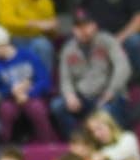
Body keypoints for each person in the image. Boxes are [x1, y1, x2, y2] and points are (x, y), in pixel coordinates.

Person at [52, 10, 131, 138]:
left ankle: (112, 141)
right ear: (74, 29)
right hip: (83, 97)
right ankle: (78, 140)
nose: (83, 30)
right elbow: (65, 78)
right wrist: (69, 95)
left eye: (86, 25)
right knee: (57, 106)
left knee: (106, 111)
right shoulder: (68, 49)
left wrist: (110, 91)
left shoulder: (108, 41)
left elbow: (123, 68)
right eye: (79, 26)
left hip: (108, 95)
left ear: (95, 26)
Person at [0, 24, 58, 144]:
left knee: (37, 109)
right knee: (6, 111)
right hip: (9, 99)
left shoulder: (27, 56)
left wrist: (28, 94)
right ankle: (4, 146)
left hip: (32, 96)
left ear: (3, 43)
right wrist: (11, 92)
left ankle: (47, 144)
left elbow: (43, 80)